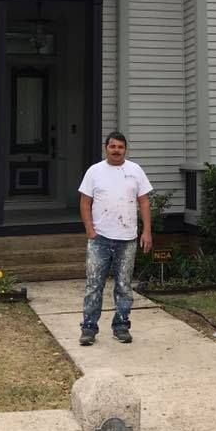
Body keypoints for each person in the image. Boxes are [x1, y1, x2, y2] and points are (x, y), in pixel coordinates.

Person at [78, 131, 153, 346]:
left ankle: (121, 325)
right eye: (113, 146)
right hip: (99, 238)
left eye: (120, 147)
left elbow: (144, 202)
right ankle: (89, 328)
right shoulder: (94, 171)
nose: (116, 150)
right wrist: (90, 230)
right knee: (94, 285)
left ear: (125, 150)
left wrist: (146, 231)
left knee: (124, 285)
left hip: (127, 238)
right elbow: (85, 203)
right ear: (106, 148)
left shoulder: (135, 171)